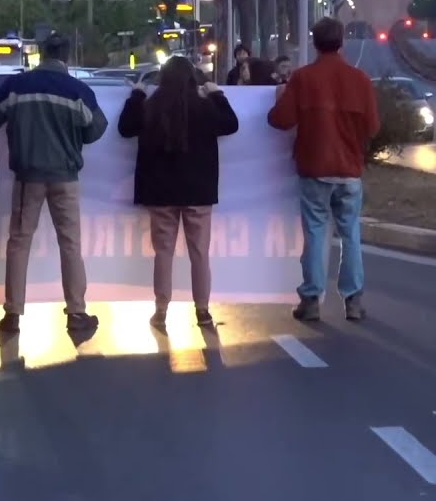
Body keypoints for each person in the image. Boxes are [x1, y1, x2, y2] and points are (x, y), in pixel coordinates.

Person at [0, 32, 107, 334]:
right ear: (66, 56)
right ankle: (77, 313)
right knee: (70, 244)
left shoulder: (16, 86)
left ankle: (13, 314)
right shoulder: (78, 90)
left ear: (40, 54)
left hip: (28, 177)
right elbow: (95, 130)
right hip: (65, 177)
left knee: (19, 242)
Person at [267, 17, 379, 322]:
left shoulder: (304, 79)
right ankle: (353, 300)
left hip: (314, 167)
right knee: (350, 234)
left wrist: (282, 96)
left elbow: (280, 120)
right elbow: (372, 126)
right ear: (342, 43)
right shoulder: (360, 80)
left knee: (316, 233)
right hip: (350, 169)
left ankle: (312, 299)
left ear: (315, 43)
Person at [117, 57, 240, 328]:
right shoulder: (205, 108)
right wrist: (217, 93)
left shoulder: (151, 107)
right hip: (198, 191)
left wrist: (136, 94)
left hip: (160, 193)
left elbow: (125, 127)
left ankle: (161, 309)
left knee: (163, 253)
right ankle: (203, 310)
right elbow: (231, 124)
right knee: (200, 253)